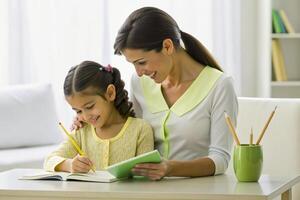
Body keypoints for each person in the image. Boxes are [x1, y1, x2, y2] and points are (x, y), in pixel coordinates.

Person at [74, 7, 238, 180]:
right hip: (147, 190)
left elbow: (220, 159)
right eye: (133, 64)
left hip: (199, 191)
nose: (138, 72)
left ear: (167, 46)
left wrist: (170, 168)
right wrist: (87, 117)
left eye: (142, 62)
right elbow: (129, 128)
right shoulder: (140, 83)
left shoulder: (220, 86)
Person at [44, 61, 154, 173]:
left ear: (110, 93)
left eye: (89, 107)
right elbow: (49, 161)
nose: (85, 117)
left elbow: (145, 177)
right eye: (78, 111)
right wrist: (69, 165)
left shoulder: (140, 130)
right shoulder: (81, 132)